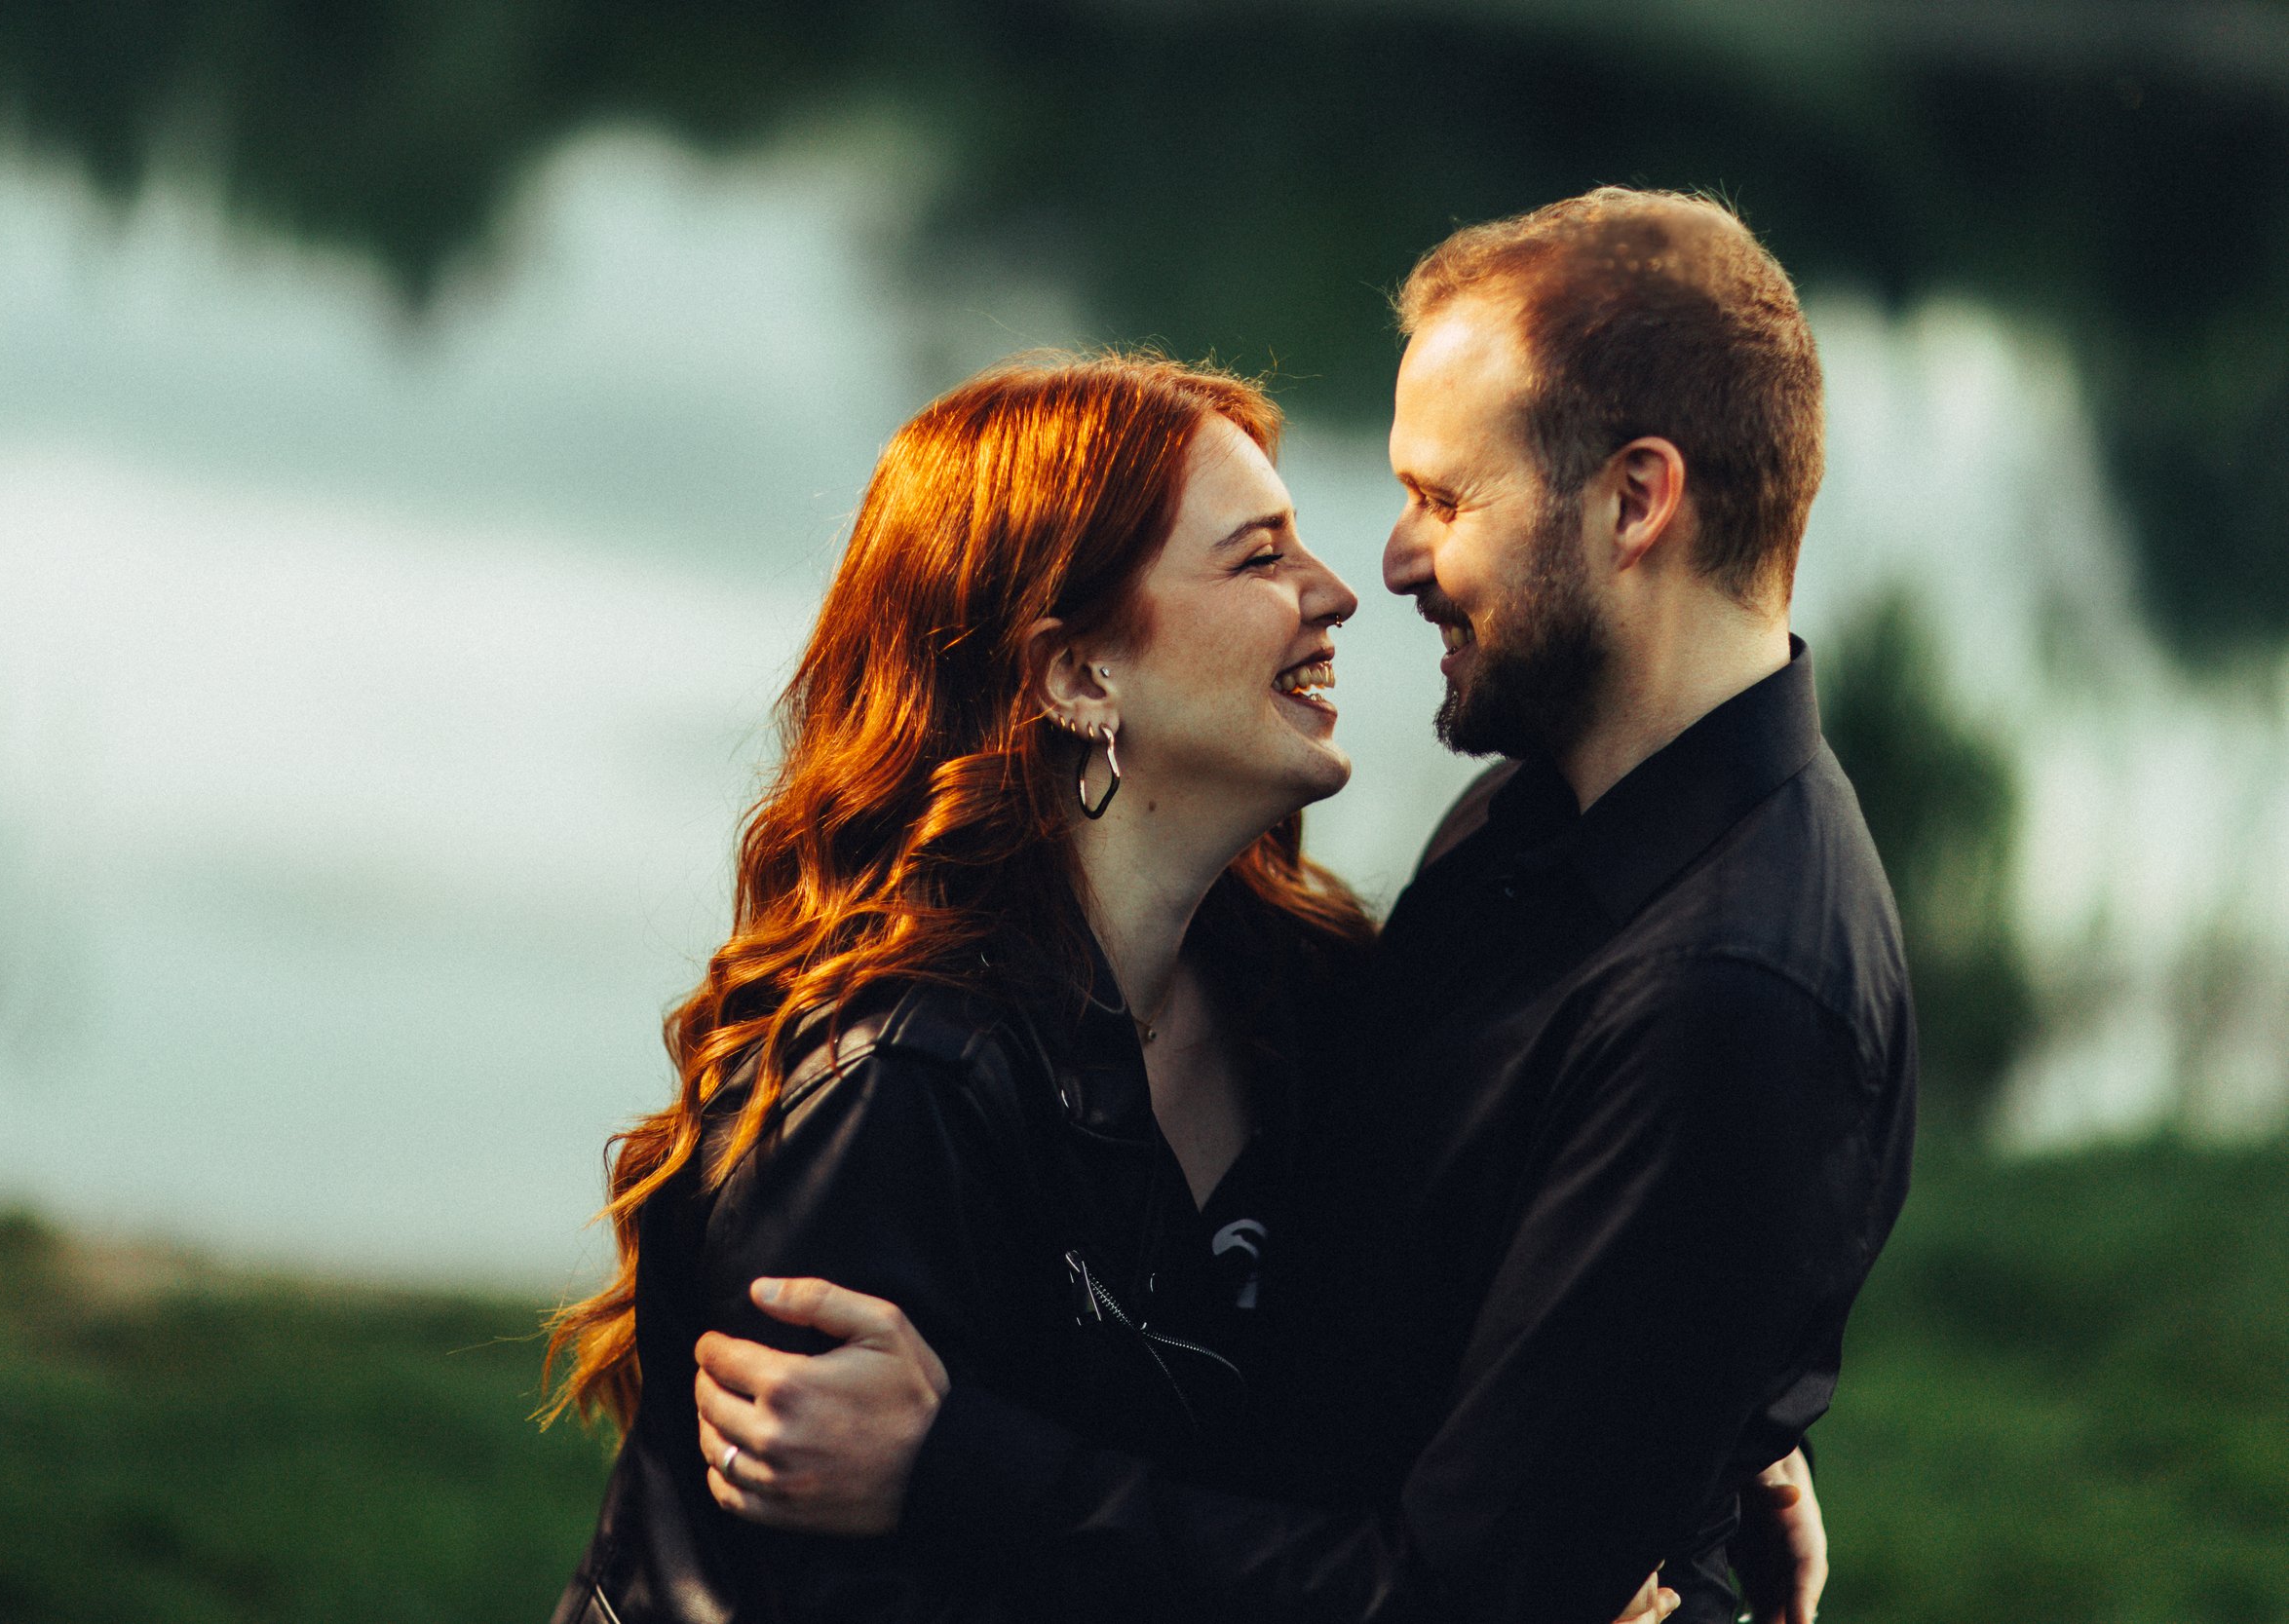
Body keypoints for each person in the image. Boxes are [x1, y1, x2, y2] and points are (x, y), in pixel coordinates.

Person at [686, 187, 1914, 1624]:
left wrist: (1682, 1424)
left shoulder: (1730, 997)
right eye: (1263, 552)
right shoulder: (1514, 829)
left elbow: (1464, 1598)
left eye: (1444, 500)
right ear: (1074, 674)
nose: (1378, 568)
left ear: (1638, 499)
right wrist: (1682, 1417)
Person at [540, 352, 1704, 1624]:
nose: (1336, 594)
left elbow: (1516, 1306)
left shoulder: (1306, 1003)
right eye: (1259, 558)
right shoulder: (891, 1097)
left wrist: (1705, 1442)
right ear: (1079, 678)